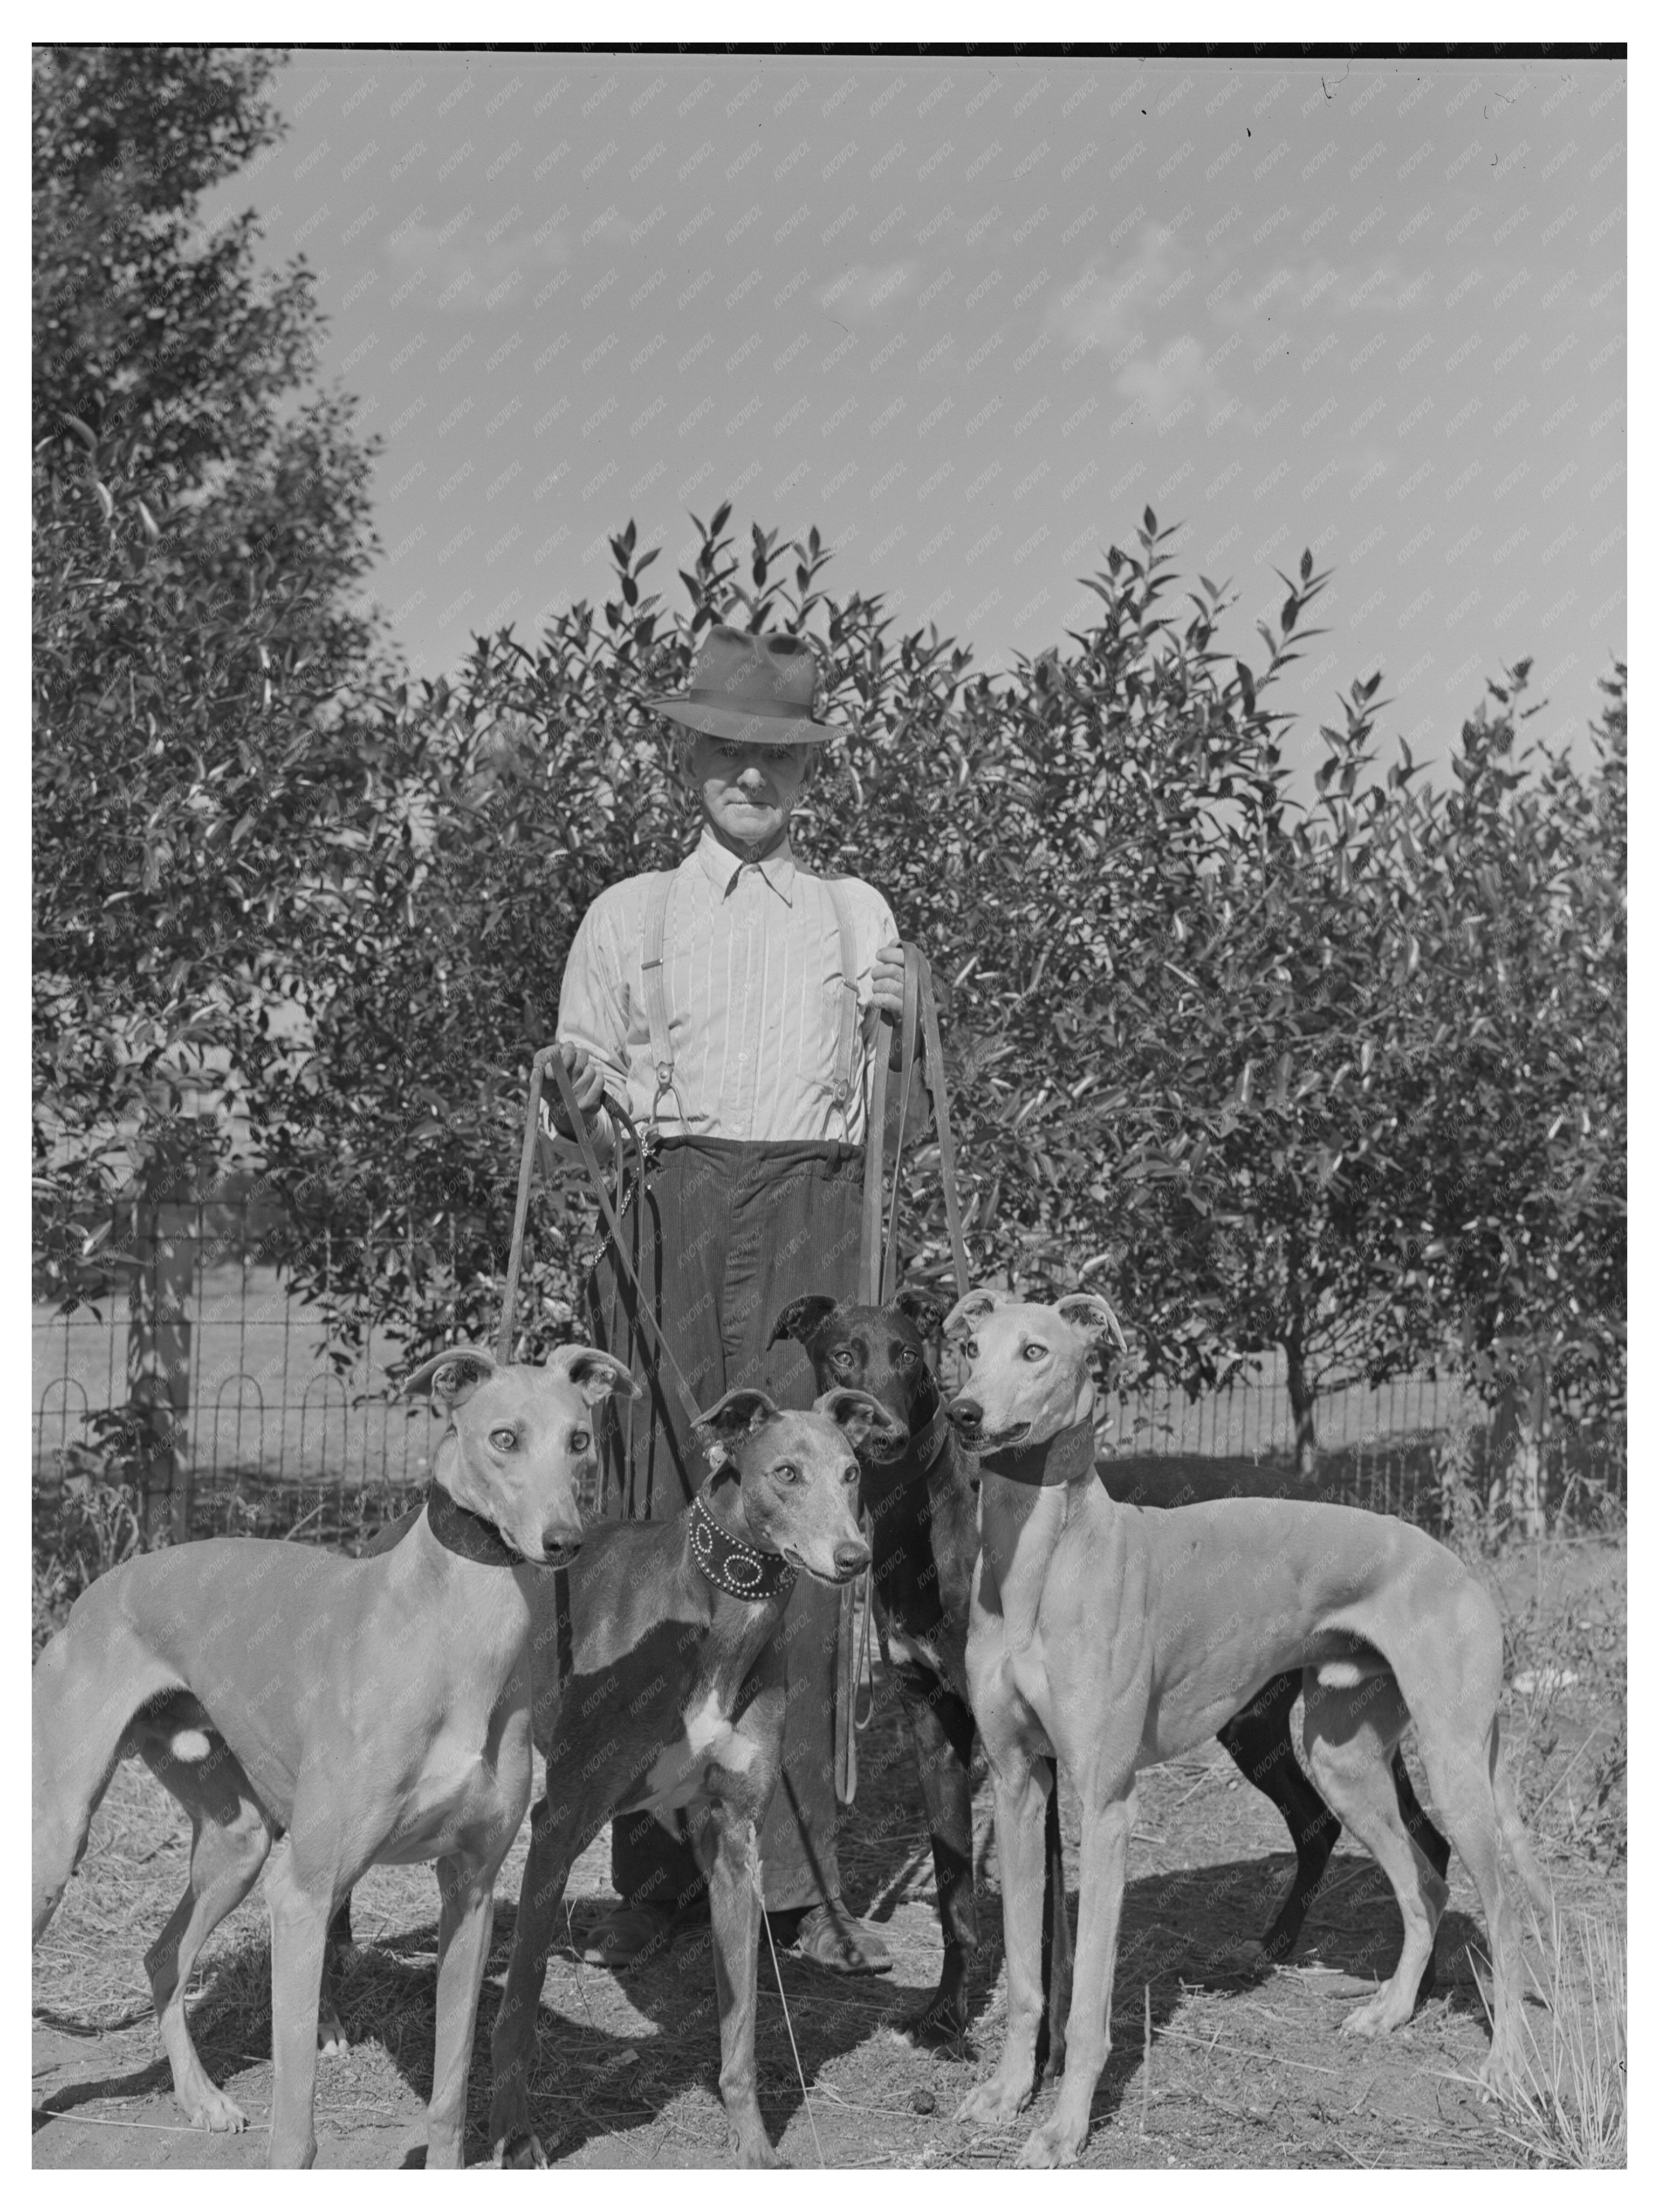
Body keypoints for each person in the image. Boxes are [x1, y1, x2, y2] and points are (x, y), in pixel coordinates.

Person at [547, 622, 919, 1974]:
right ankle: (652, 1856)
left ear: (807, 774)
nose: (748, 779)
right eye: (725, 752)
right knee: (664, 1523)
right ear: (686, 756)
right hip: (672, 1212)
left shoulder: (858, 916)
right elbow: (576, 1117)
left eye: (775, 759)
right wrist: (578, 1097)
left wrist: (911, 1016)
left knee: (808, 1511)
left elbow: (900, 1111)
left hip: (814, 1216)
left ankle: (794, 1871)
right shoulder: (625, 915)